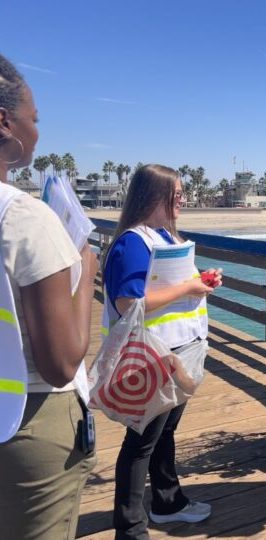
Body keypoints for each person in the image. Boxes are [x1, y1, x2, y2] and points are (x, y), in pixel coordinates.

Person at [0, 54, 98, 539]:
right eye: (34, 119)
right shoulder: (24, 217)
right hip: (28, 422)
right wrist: (86, 269)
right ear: (5, 122)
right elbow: (60, 363)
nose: (36, 132)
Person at [102, 164, 222, 539]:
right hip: (150, 356)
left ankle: (167, 502)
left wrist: (202, 281)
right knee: (140, 443)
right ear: (156, 196)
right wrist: (187, 289)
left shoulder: (166, 238)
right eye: (178, 193)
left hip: (178, 352)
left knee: (164, 432)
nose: (183, 199)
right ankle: (130, 528)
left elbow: (172, 287)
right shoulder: (132, 243)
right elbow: (127, 303)